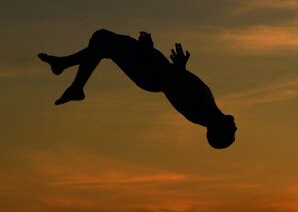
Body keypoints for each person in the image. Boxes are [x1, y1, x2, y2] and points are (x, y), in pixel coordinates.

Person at [38, 29, 236, 149]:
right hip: (154, 69)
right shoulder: (208, 110)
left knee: (101, 39)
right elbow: (181, 83)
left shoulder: (201, 112)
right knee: (102, 46)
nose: (235, 126)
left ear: (218, 129)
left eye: (231, 132)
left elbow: (174, 89)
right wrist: (179, 67)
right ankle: (66, 71)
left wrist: (150, 53)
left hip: (153, 72)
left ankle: (72, 81)